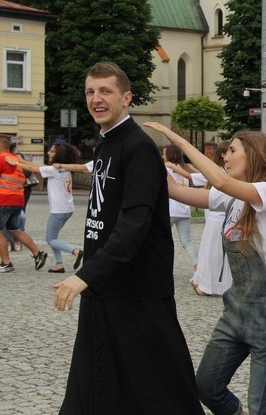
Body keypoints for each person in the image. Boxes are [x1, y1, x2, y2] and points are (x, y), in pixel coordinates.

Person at [53, 62, 202, 413]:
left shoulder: (138, 148)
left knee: (159, 392)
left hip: (138, 295)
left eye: (105, 91)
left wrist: (85, 275)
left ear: (126, 97)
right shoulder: (105, 144)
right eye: (91, 92)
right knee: (94, 387)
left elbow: (134, 224)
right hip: (104, 289)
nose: (96, 99)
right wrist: (91, 276)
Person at [145, 121, 266, 415]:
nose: (224, 157)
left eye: (231, 150)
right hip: (237, 308)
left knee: (263, 407)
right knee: (206, 386)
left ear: (252, 155)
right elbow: (176, 191)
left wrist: (175, 137)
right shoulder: (231, 197)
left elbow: (222, 181)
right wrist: (147, 155)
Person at [7, 143, 84, 273]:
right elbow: (39, 166)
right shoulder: (63, 169)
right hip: (67, 208)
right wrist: (23, 161)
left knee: (51, 239)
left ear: (59, 155)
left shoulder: (54, 170)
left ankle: (75, 251)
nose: (48, 153)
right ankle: (59, 264)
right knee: (54, 237)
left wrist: (16, 164)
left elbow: (34, 168)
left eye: (52, 151)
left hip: (59, 210)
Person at [190, 140, 234, 296]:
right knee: (213, 253)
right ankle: (207, 284)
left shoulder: (226, 171)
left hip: (221, 217)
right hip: (218, 217)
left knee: (217, 253)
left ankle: (214, 285)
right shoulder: (220, 172)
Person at [0, 136, 47, 272]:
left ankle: (6, 263)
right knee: (14, 230)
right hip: (18, 200)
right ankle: (37, 253)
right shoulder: (16, 160)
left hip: (4, 200)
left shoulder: (2, 159)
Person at [162, 144, 198, 269]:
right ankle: (197, 264)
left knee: (162, 240)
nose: (162, 156)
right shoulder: (183, 171)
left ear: (169, 155)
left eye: (164, 154)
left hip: (170, 210)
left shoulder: (165, 169)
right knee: (187, 241)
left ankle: (163, 267)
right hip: (184, 211)